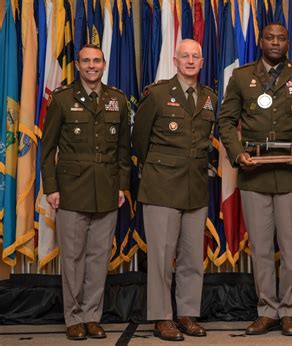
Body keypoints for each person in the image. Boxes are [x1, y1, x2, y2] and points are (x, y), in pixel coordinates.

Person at [218, 23, 292, 336]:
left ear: (288, 42)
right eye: (270, 37)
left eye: (281, 37)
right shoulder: (241, 77)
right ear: (260, 40)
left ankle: (290, 311)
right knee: (262, 248)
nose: (275, 42)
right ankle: (267, 310)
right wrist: (238, 154)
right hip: (254, 176)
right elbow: (226, 122)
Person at [41, 44, 131, 340]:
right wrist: (51, 188)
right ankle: (74, 317)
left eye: (97, 60)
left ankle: (93, 316)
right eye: (86, 61)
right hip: (71, 191)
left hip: (106, 189)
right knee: (73, 258)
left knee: (98, 257)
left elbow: (123, 150)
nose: (92, 65)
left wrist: (122, 186)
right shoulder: (63, 99)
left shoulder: (117, 100)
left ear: (104, 65)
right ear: (77, 65)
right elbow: (47, 148)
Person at [132, 39, 217, 342]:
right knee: (161, 258)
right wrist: (159, 168)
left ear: (202, 62)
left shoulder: (209, 97)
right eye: (185, 56)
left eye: (196, 56)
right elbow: (140, 140)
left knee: (192, 258)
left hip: (195, 186)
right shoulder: (156, 95)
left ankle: (186, 314)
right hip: (162, 185)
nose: (191, 61)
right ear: (175, 60)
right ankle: (161, 317)